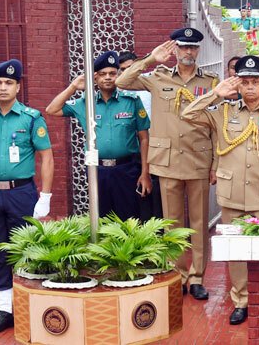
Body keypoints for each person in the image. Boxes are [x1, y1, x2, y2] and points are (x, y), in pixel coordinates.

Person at [182, 56, 259, 326]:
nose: (250, 87)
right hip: (231, 194)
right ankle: (241, 300)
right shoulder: (223, 111)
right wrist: (215, 93)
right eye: (245, 82)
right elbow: (188, 114)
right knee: (237, 251)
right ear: (238, 85)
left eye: (255, 82)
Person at [115, 27, 219, 300]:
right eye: (183, 47)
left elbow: (218, 125)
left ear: (198, 50)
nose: (188, 52)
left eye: (193, 47)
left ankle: (197, 277)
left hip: (198, 158)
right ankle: (178, 274)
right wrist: (150, 59)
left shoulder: (211, 82)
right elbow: (122, 81)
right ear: (175, 50)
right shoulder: (157, 77)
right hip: (168, 159)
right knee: (172, 223)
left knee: (198, 223)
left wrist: (216, 164)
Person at [0, 60, 54, 334]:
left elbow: (47, 157)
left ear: (18, 87)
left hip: (21, 193)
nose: (3, 87)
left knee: (26, 251)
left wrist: (46, 195)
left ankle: (28, 305)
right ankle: (5, 310)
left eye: (9, 83)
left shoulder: (30, 117)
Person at [45, 51, 151, 220]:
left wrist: (145, 173)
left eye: (112, 73)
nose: (107, 78)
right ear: (95, 78)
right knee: (101, 219)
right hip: (97, 171)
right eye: (102, 74)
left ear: (118, 75)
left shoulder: (131, 101)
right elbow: (52, 109)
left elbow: (144, 138)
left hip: (128, 170)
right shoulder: (86, 103)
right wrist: (73, 86)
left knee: (130, 219)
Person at [119, 50, 163, 221]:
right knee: (136, 196)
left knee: (156, 194)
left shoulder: (149, 88)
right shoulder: (119, 93)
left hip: (154, 149)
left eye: (130, 68)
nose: (126, 72)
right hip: (132, 153)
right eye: (122, 69)